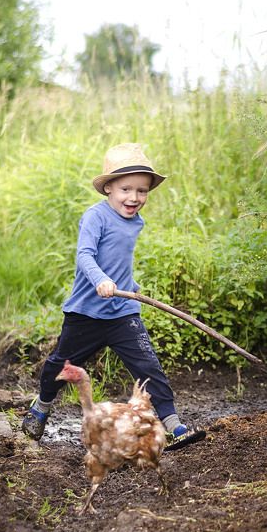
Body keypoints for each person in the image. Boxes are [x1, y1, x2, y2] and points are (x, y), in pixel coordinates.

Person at [22, 143, 206, 451]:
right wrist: (101, 281)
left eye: (142, 191)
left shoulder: (136, 222)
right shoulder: (95, 217)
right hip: (86, 313)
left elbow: (120, 260)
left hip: (122, 311)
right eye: (126, 189)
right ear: (108, 188)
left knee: (148, 367)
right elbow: (85, 255)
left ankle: (174, 425)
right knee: (60, 366)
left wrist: (130, 285)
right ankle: (41, 406)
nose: (134, 198)